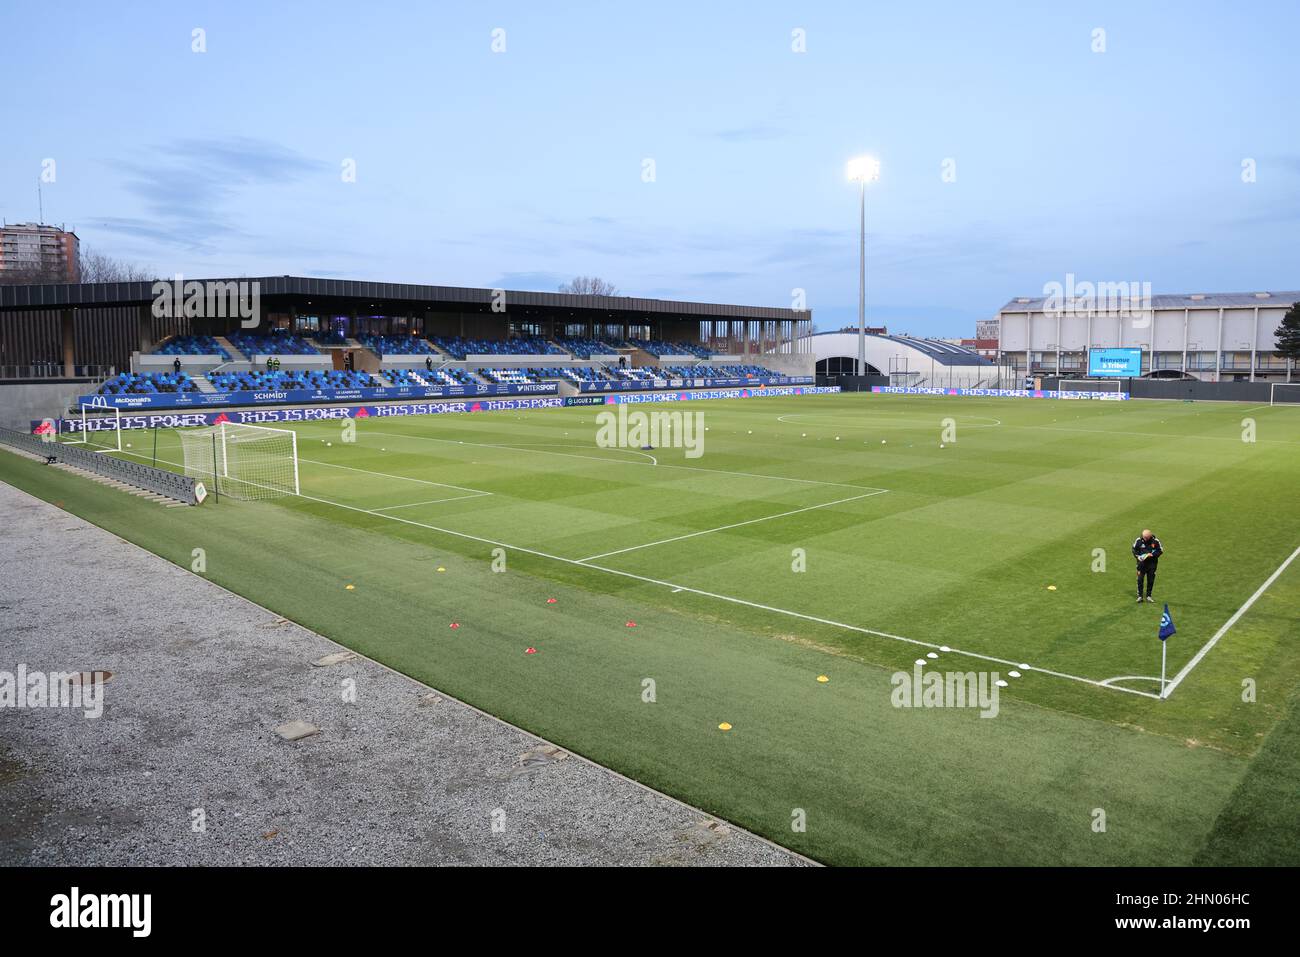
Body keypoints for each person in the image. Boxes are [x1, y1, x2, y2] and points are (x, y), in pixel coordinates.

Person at [1132, 529, 1163, 603]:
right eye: (1144, 537)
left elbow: (1160, 550)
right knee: (1139, 580)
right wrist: (1138, 556)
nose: (1144, 539)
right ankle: (1140, 596)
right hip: (1141, 564)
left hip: (1152, 565)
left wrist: (1152, 554)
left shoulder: (1155, 541)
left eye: (1146, 537)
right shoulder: (1138, 540)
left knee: (1151, 580)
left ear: (1150, 536)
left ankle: (1149, 596)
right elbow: (1134, 549)